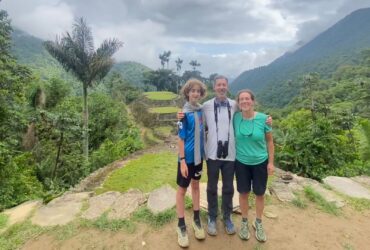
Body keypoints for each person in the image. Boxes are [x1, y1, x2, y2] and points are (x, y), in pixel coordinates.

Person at [178, 76, 272, 237]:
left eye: (224, 85)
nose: (221, 87)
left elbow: (249, 110)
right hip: (212, 154)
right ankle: (212, 217)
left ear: (227, 87)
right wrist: (180, 115)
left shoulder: (235, 104)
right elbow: (190, 111)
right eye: (218, 85)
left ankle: (227, 217)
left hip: (230, 155)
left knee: (228, 188)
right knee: (211, 187)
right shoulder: (205, 106)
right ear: (214, 87)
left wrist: (267, 119)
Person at [233, 89, 274, 242]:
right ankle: (244, 221)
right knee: (243, 193)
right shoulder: (235, 118)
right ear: (238, 103)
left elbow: (270, 142)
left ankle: (258, 222)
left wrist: (271, 162)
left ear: (253, 101)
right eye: (241, 99)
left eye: (247, 99)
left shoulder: (264, 119)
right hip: (241, 163)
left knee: (260, 194)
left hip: (260, 163)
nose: (244, 101)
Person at [176, 78, 207, 248]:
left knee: (196, 187)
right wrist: (182, 161)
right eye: (192, 90)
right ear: (187, 93)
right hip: (186, 159)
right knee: (181, 190)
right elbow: (180, 139)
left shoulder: (202, 111)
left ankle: (196, 219)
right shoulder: (183, 114)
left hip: (198, 159)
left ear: (201, 94)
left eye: (198, 91)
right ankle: (181, 225)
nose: (195, 93)